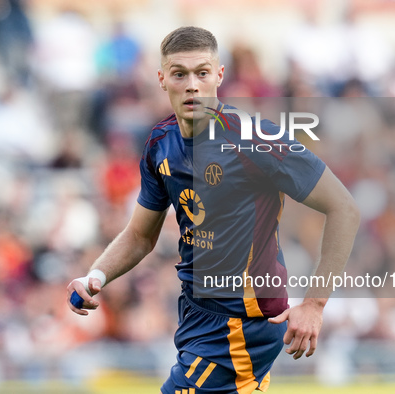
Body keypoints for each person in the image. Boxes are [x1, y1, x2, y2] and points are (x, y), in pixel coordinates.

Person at [67, 26, 360, 393]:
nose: (192, 85)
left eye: (202, 73)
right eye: (179, 74)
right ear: (162, 79)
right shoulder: (161, 144)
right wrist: (96, 276)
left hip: (242, 325)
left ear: (219, 76)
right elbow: (141, 235)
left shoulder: (256, 138)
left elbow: (344, 208)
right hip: (196, 314)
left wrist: (315, 304)